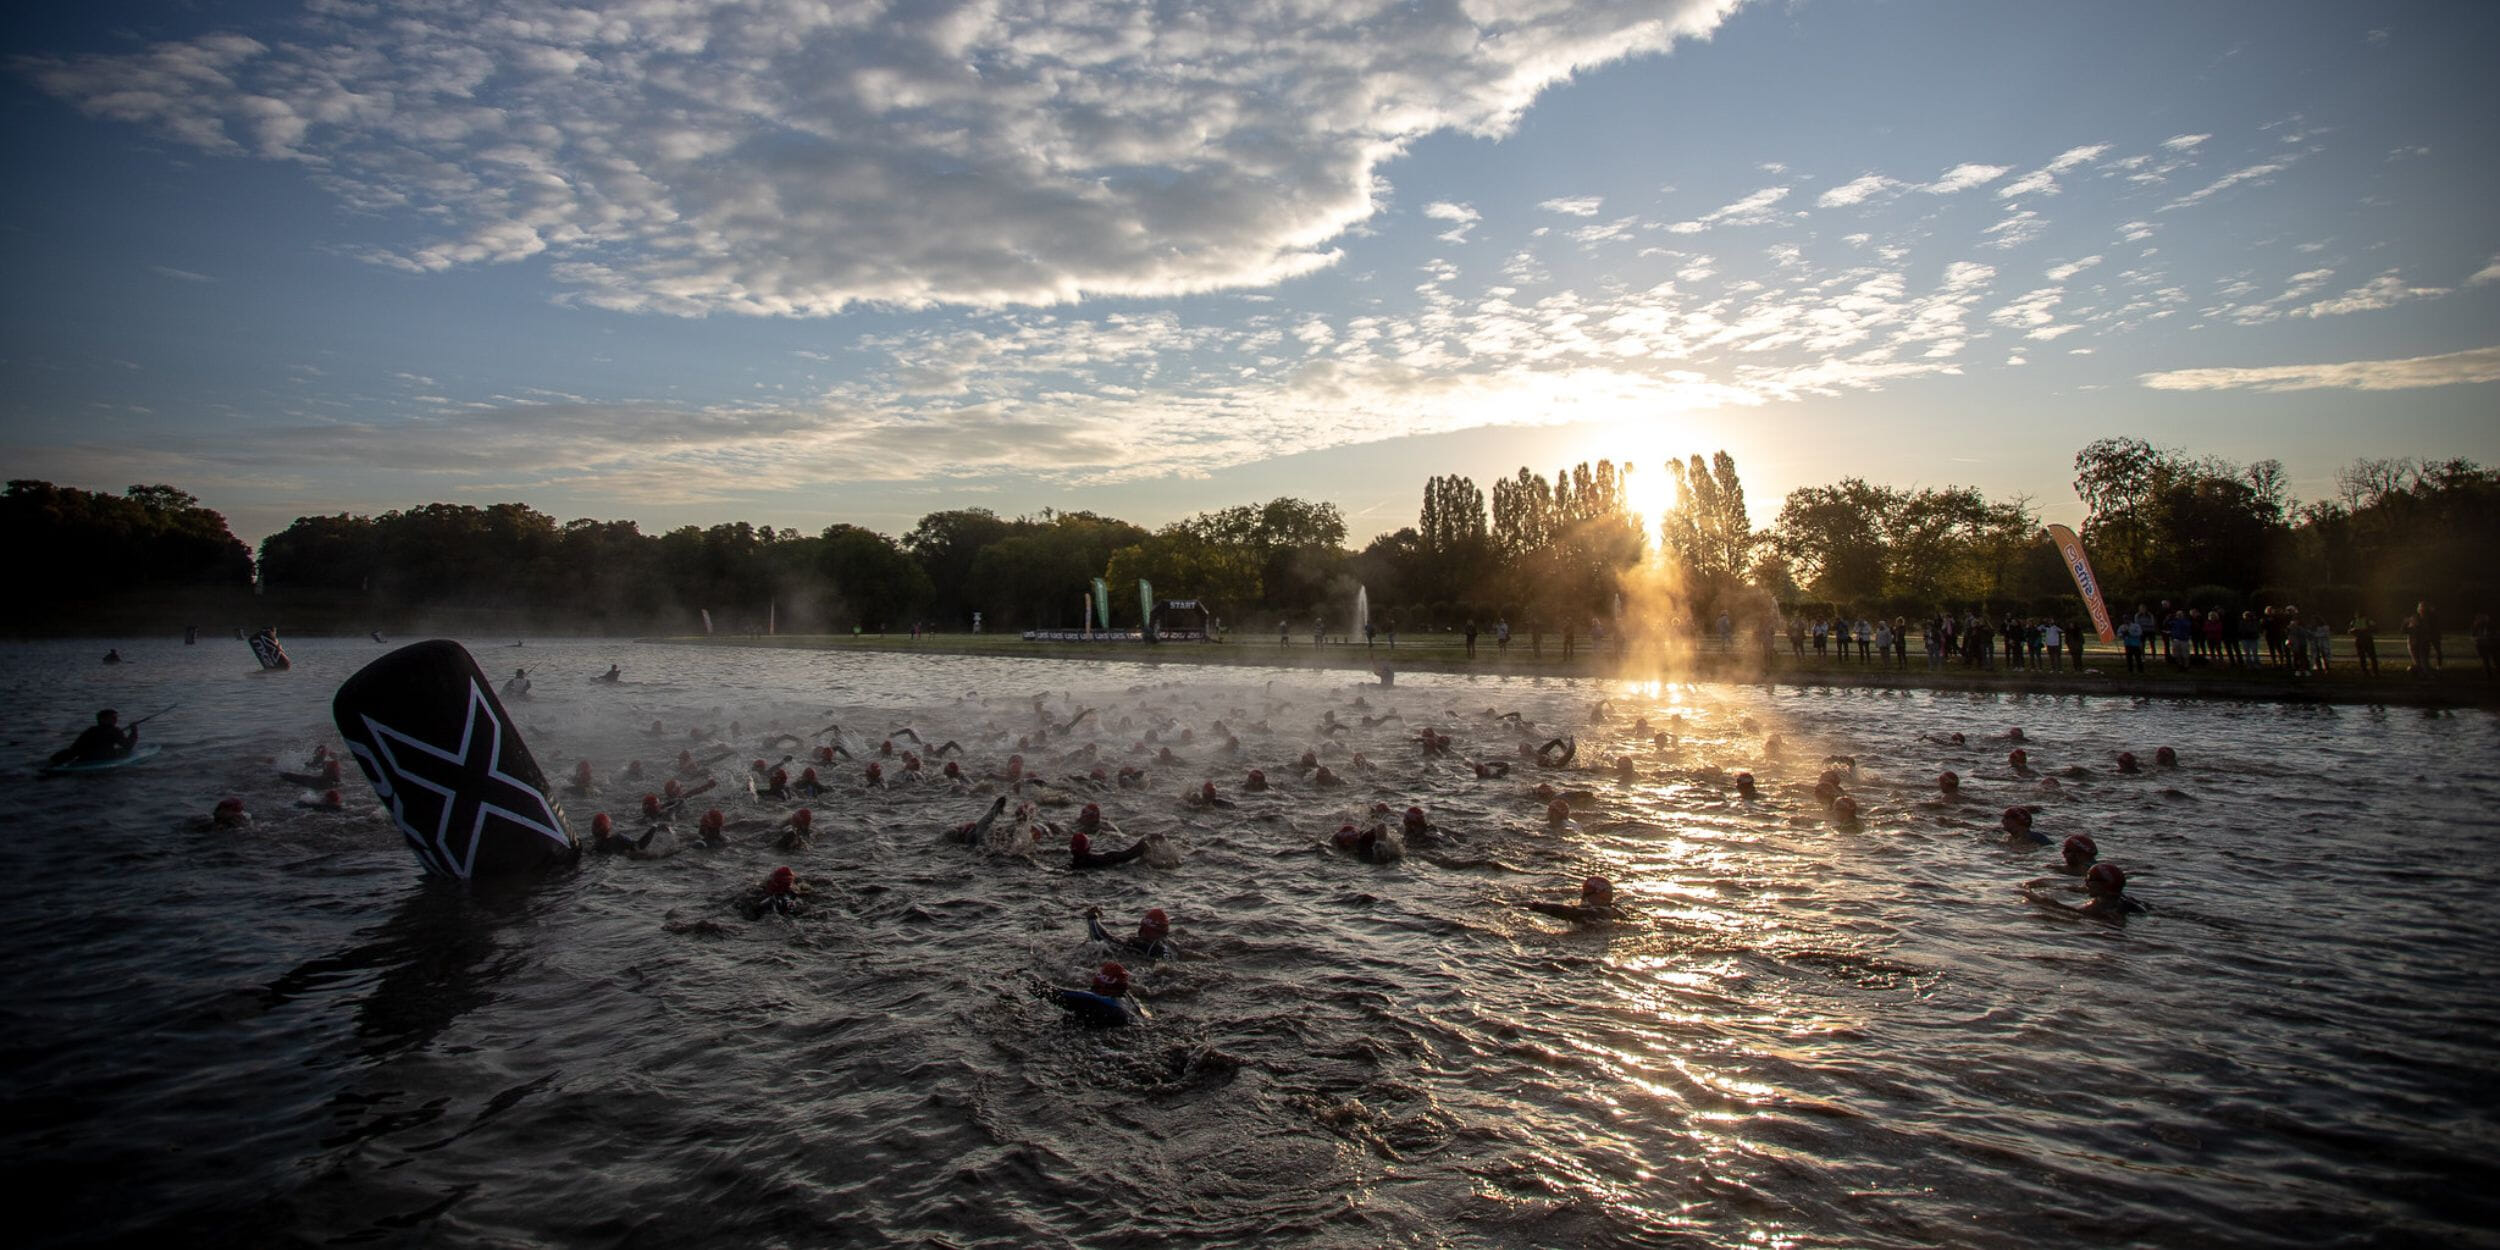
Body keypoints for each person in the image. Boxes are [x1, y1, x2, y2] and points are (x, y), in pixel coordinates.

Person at [1523, 875, 1635, 924]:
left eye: (1587, 894)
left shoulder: (1605, 912)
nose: (1583, 897)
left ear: (1602, 894)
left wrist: (1536, 906)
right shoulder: (1612, 909)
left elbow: (1574, 913)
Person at [1086, 906, 1178, 960]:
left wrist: (1093, 918)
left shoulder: (1141, 945)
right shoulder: (1171, 944)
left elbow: (1101, 937)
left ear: (1143, 929)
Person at [50, 709, 136, 766]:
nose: (115, 719)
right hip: (101, 758)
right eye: (113, 717)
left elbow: (74, 749)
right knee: (124, 751)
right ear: (102, 719)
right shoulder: (114, 731)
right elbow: (128, 746)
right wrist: (133, 731)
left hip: (85, 758)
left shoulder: (90, 730)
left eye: (116, 717)